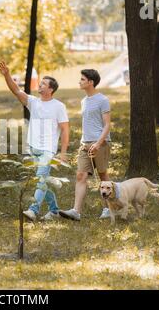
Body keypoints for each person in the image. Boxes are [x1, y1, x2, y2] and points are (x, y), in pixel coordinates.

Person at [0, 61, 69, 221]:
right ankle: (54, 210)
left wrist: (63, 153)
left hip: (47, 149)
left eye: (44, 84)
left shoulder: (59, 106)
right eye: (41, 82)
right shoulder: (33, 102)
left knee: (41, 179)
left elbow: (65, 129)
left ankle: (33, 210)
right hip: (33, 148)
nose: (40, 85)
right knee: (42, 180)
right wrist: (7, 75)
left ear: (50, 89)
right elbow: (16, 90)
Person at [59, 69, 111, 221]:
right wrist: (86, 142)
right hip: (85, 144)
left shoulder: (103, 100)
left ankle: (108, 209)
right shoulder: (84, 101)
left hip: (100, 143)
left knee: (103, 175)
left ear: (91, 82)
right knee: (81, 175)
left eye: (82, 79)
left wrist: (98, 143)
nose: (79, 82)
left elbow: (107, 125)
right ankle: (76, 211)